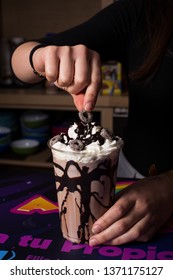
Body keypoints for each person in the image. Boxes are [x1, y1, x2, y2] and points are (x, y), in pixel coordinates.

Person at [11, 0, 173, 247]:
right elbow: (20, 63)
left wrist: (170, 187)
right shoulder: (145, 11)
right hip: (125, 182)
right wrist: (40, 56)